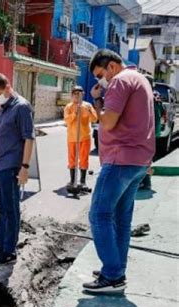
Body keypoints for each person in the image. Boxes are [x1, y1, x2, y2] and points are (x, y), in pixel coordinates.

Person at [84, 49, 155, 293]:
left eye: (100, 75)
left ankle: (112, 275)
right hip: (138, 161)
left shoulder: (121, 81)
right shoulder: (141, 79)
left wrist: (97, 100)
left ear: (112, 66)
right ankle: (116, 269)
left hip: (120, 159)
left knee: (99, 215)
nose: (100, 81)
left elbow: (108, 122)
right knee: (121, 220)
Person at [0, 73, 34, 265]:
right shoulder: (3, 107)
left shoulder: (21, 107)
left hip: (13, 165)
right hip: (1, 165)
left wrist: (25, 167)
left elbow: (29, 138)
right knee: (2, 206)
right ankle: (0, 242)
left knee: (11, 208)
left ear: (7, 87)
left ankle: (9, 251)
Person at [63, 85, 97, 189]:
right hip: (72, 138)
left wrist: (89, 112)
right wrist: (74, 113)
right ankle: (72, 180)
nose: (77, 96)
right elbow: (67, 120)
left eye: (79, 94)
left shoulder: (87, 105)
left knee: (83, 159)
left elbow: (94, 119)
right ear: (72, 95)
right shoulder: (68, 107)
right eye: (75, 94)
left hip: (84, 137)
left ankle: (82, 181)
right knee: (72, 159)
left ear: (83, 94)